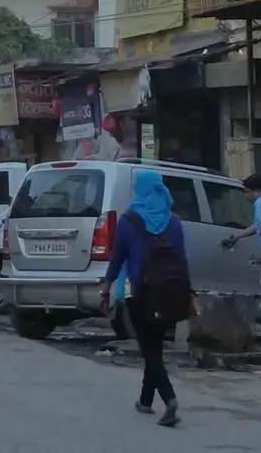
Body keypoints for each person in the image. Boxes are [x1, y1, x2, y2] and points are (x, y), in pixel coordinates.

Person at [99, 168, 187, 427]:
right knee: (155, 345)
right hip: (169, 292)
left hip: (138, 291)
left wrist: (106, 286)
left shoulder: (129, 219)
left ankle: (169, 399)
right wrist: (187, 291)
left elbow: (117, 258)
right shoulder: (174, 221)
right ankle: (145, 400)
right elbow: (181, 260)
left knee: (149, 349)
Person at [221, 174, 261, 251]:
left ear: (258, 190)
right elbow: (258, 225)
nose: (246, 196)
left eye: (247, 192)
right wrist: (237, 236)